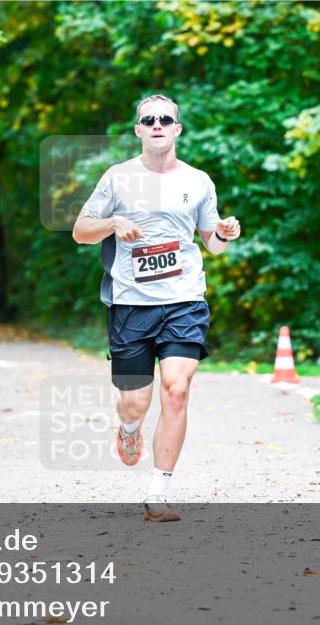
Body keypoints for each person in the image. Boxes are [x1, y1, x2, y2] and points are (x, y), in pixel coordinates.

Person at [72, 94, 241, 522]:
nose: (158, 124)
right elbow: (80, 232)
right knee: (135, 402)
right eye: (149, 120)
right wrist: (112, 223)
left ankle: (158, 492)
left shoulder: (198, 180)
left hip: (184, 300)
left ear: (178, 129)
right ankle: (128, 428)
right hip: (131, 305)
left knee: (177, 390)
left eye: (166, 119)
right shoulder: (117, 178)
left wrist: (225, 232)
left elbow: (213, 245)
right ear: (139, 130)